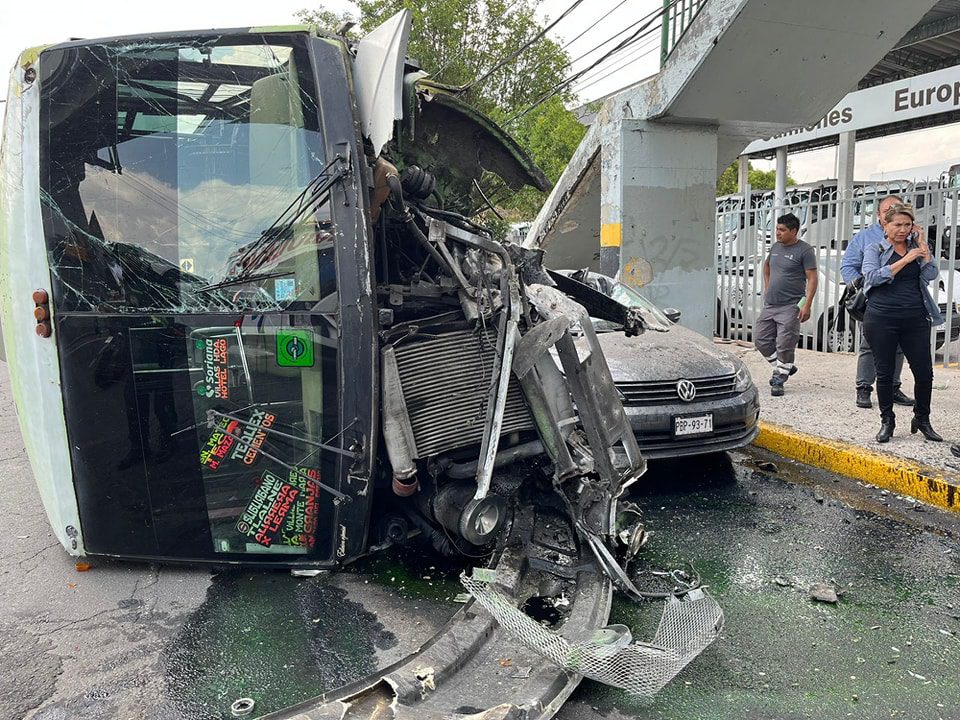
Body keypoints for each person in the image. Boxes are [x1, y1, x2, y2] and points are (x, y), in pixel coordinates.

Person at [862, 203, 944, 443]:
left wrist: (921, 247)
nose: (902, 229)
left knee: (925, 373)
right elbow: (872, 277)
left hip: (915, 317)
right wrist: (906, 259)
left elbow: (930, 275)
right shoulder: (875, 248)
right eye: (897, 224)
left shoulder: (916, 247)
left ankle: (922, 418)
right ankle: (887, 420)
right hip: (881, 318)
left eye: (907, 225)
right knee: (885, 373)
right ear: (885, 225)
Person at [840, 195, 913, 409]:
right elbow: (848, 266)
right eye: (887, 210)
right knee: (869, 345)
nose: (893, 212)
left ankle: (893, 387)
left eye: (897, 208)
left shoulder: (910, 237)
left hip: (903, 302)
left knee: (898, 346)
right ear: (879, 215)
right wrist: (862, 287)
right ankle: (864, 388)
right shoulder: (865, 238)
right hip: (876, 301)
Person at [755, 213, 818, 397]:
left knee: (784, 344)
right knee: (761, 339)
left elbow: (812, 278)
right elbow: (766, 267)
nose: (778, 233)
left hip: (791, 305)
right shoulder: (775, 247)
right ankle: (784, 367)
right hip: (771, 304)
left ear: (794, 231)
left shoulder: (804, 250)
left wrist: (807, 304)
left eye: (782, 230)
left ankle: (779, 378)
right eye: (777, 229)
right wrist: (767, 286)